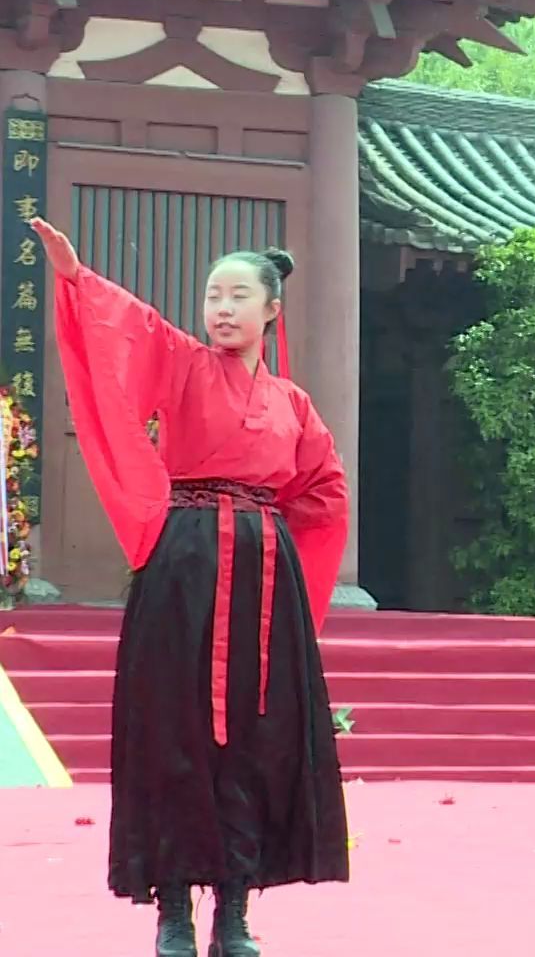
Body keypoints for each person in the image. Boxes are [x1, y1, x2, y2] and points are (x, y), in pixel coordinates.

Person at [34, 216, 350, 957]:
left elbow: (324, 490)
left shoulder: (294, 404)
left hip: (264, 578)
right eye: (212, 295)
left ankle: (233, 915)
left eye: (239, 296)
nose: (222, 309)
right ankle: (172, 912)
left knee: (254, 738)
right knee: (171, 732)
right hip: (183, 567)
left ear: (272, 308)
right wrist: (79, 282)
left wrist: (285, 548)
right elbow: (127, 332)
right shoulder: (180, 363)